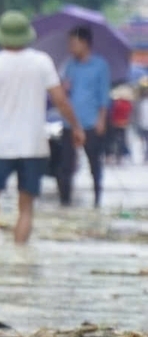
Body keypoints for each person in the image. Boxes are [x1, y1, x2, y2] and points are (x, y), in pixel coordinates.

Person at [0, 11, 83, 245]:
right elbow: (60, 100)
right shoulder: (42, 62)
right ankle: (20, 254)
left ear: (1, 37)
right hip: (33, 145)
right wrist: (76, 126)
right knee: (26, 207)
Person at [58, 26, 111, 206]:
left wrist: (101, 119)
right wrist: (63, 89)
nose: (71, 48)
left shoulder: (100, 65)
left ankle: (97, 198)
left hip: (91, 121)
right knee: (65, 164)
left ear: (85, 43)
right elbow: (63, 94)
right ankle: (65, 201)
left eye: (74, 43)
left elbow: (103, 94)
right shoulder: (69, 65)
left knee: (94, 163)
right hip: (70, 122)